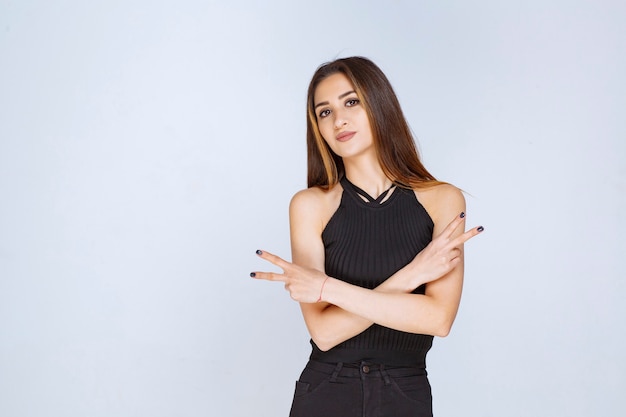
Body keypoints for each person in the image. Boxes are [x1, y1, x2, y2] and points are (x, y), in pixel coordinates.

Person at [250, 56, 483, 417]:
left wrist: (326, 288)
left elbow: (438, 319)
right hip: (327, 389)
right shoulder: (310, 205)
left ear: (378, 103)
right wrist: (412, 275)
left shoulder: (442, 199)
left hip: (405, 392)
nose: (339, 119)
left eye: (351, 102)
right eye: (324, 112)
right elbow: (325, 333)